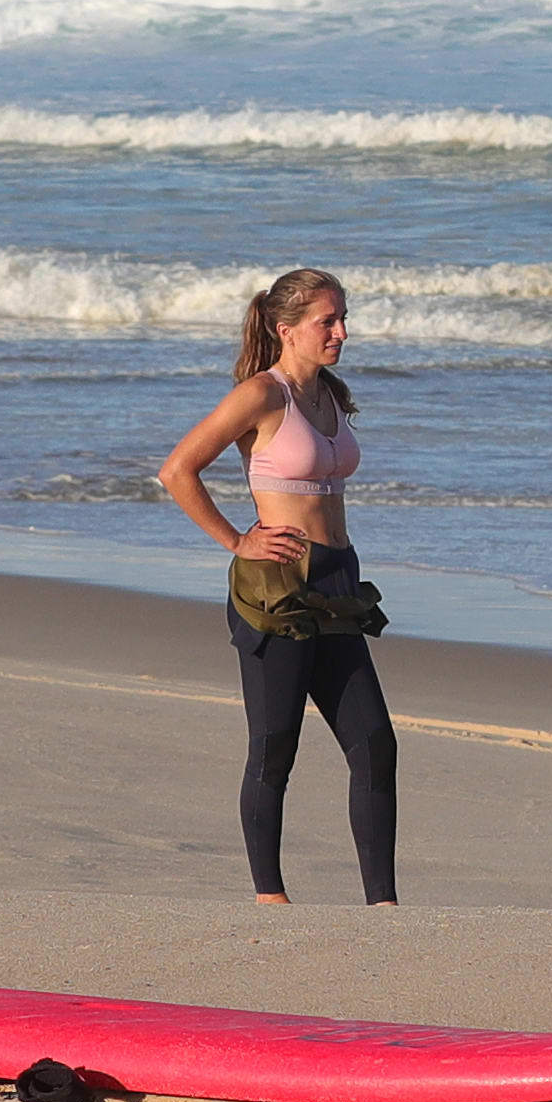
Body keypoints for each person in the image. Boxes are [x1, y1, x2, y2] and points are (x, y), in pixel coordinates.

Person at [156, 266, 398, 904]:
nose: (342, 331)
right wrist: (237, 540)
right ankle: (271, 897)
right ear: (287, 329)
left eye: (343, 317)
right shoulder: (261, 396)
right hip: (278, 587)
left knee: (374, 741)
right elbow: (178, 469)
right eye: (328, 321)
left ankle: (384, 905)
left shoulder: (331, 393)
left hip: (339, 582)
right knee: (274, 746)